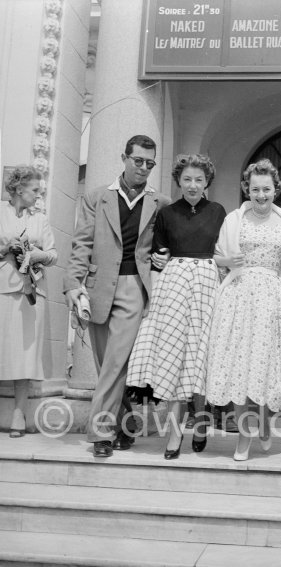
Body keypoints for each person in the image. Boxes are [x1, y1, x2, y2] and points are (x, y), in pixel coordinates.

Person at [63, 135, 170, 458]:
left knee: (114, 363)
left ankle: (100, 433)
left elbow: (165, 245)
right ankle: (126, 424)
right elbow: (81, 245)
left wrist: (162, 257)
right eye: (138, 161)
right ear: (124, 157)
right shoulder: (97, 198)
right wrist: (72, 284)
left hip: (134, 287)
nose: (144, 168)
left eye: (150, 163)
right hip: (97, 289)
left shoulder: (160, 203)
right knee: (106, 364)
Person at [127, 154, 226, 460]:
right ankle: (173, 434)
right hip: (173, 286)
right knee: (174, 358)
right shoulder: (167, 213)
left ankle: (201, 422)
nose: (192, 185)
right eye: (187, 179)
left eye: (198, 179)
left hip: (208, 286)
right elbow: (158, 256)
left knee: (201, 356)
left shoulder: (218, 211)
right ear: (178, 181)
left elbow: (225, 251)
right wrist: (153, 298)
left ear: (206, 181)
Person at [207, 158, 281, 461]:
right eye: (255, 189)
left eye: (267, 189)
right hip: (240, 295)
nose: (261, 195)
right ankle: (244, 436)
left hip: (274, 298)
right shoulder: (234, 219)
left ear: (276, 190)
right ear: (248, 188)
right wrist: (228, 262)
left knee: (270, 365)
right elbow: (218, 256)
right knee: (240, 366)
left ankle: (265, 421)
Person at [0, 166, 57, 436]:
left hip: (30, 291)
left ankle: (19, 415)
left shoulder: (40, 219)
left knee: (24, 354)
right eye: (35, 190)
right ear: (19, 188)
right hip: (2, 289)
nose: (38, 194)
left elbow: (54, 254)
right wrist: (5, 248)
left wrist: (36, 254)